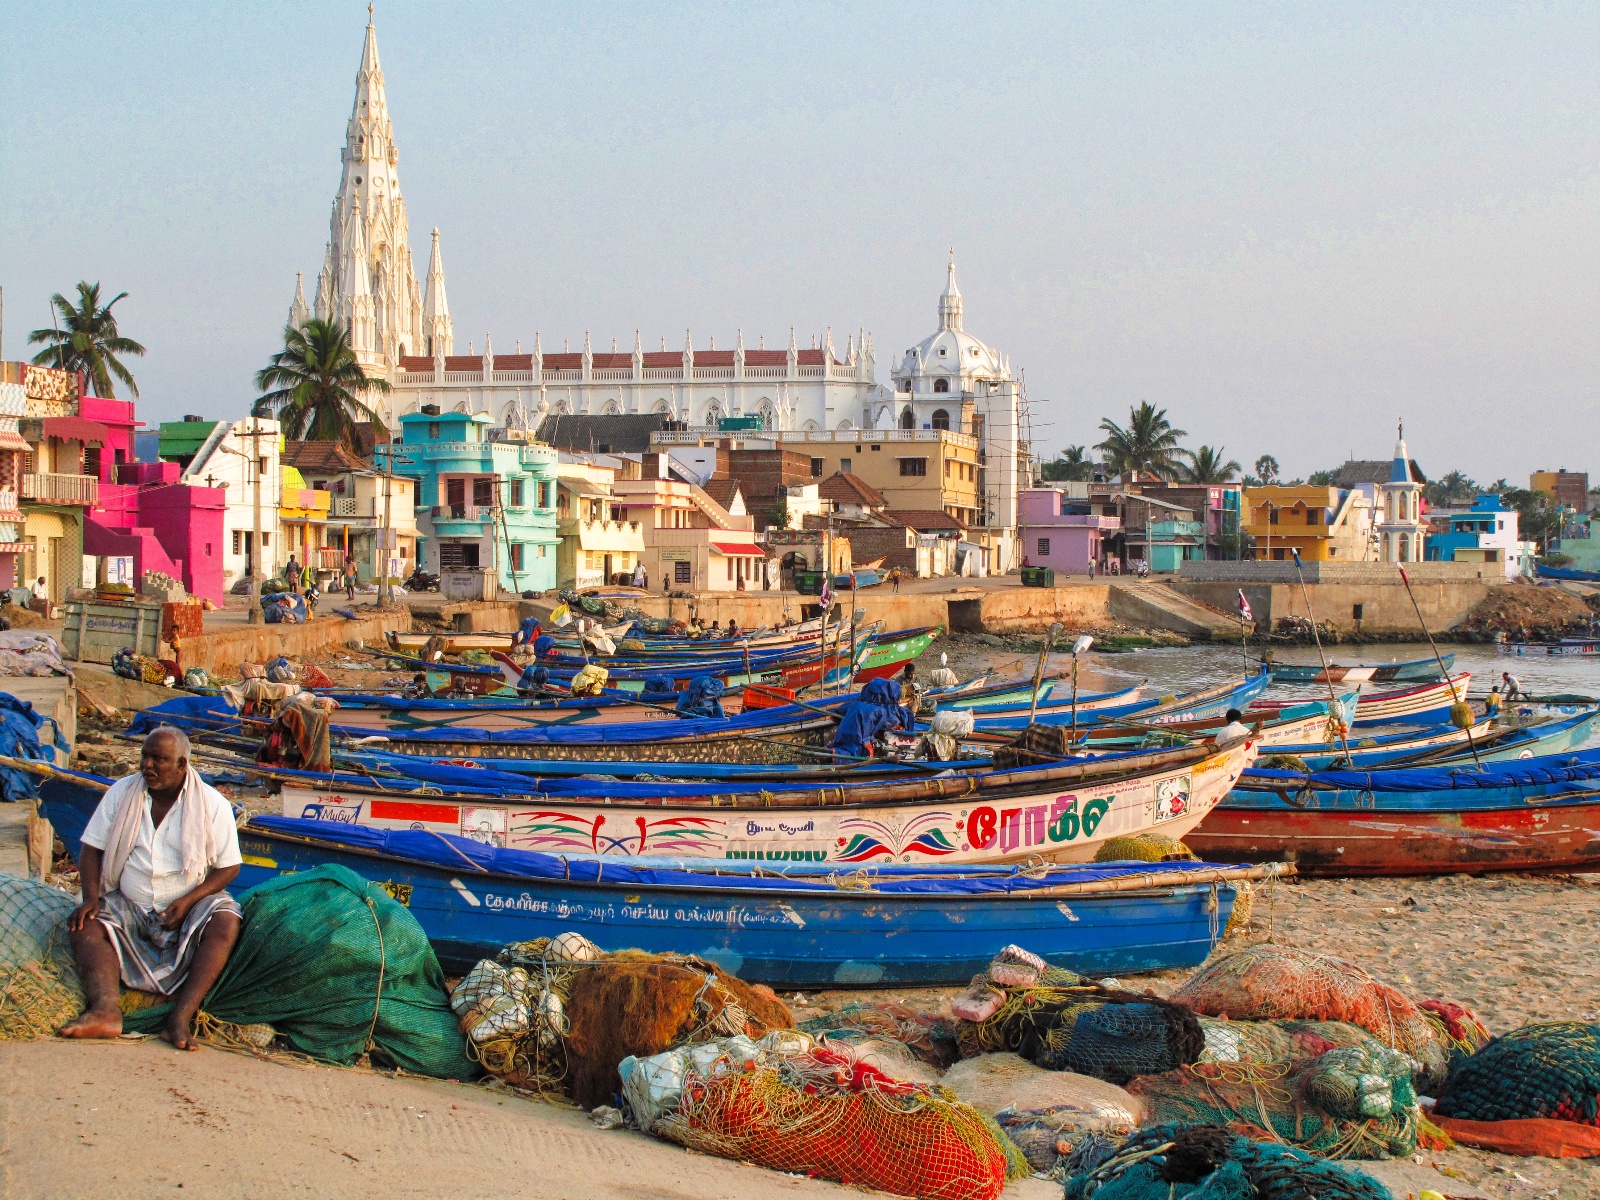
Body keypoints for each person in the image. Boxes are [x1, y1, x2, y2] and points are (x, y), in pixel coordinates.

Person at [59, 727, 243, 1050]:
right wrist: (90, 897)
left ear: (183, 764)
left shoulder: (213, 804)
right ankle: (105, 1010)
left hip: (185, 909)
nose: (148, 766)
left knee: (227, 920)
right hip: (129, 904)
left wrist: (188, 901)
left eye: (159, 760)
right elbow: (91, 849)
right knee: (83, 924)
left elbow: (230, 867)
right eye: (145, 757)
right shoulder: (122, 792)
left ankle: (179, 1019)